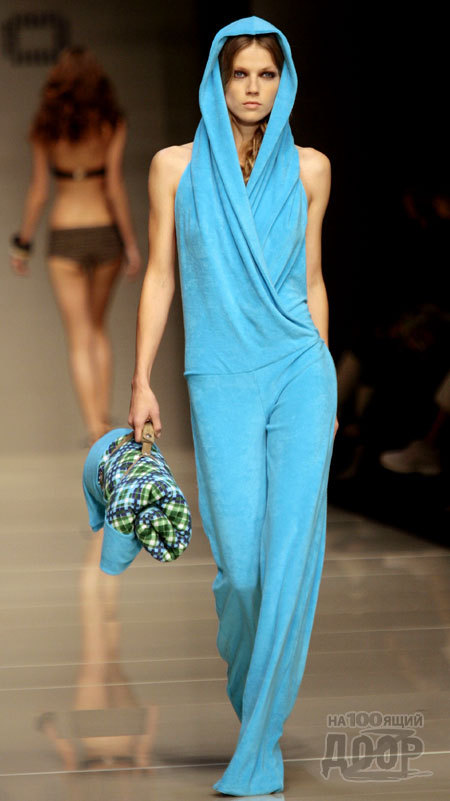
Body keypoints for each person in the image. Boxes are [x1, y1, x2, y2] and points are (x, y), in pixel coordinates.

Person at [128, 17, 338, 796]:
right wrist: (140, 378)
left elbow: (312, 278)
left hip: (299, 371)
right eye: (240, 74)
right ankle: (257, 698)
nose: (253, 88)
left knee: (288, 562)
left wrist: (328, 383)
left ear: (285, 83)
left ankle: (259, 743)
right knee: (242, 567)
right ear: (217, 81)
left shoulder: (311, 168)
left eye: (266, 75)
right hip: (219, 375)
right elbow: (160, 275)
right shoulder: (175, 167)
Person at [10, 46, 142, 445]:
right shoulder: (110, 123)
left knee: (79, 334)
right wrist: (131, 244)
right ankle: (103, 416)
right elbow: (114, 188)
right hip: (104, 231)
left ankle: (93, 425)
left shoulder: (45, 126)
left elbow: (38, 192)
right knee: (98, 329)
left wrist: (23, 243)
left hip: (65, 234)